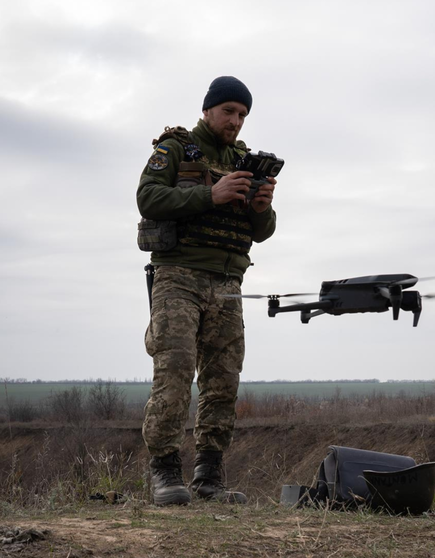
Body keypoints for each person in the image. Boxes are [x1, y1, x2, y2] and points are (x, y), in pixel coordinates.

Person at [136, 76, 277, 506]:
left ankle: (209, 476)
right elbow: (148, 197)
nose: (235, 121)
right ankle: (164, 472)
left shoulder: (245, 160)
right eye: (229, 111)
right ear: (208, 110)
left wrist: (261, 208)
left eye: (242, 115)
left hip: (228, 284)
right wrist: (210, 194)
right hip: (179, 275)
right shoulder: (175, 149)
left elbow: (264, 232)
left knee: (222, 382)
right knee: (175, 372)